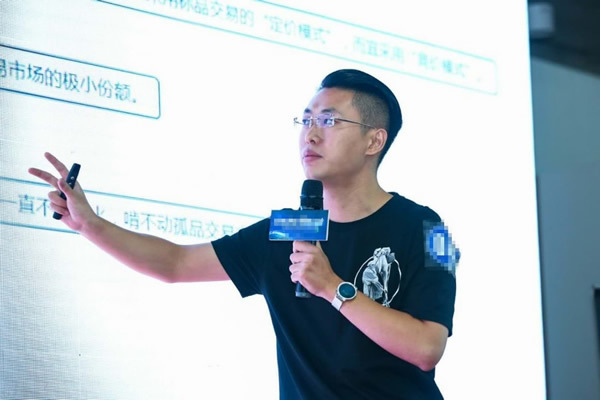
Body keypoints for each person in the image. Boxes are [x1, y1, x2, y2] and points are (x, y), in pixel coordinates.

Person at [29, 69, 457, 399]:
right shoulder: (288, 230)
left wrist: (332, 287)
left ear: (373, 141)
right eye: (306, 120)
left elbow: (426, 348)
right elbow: (175, 263)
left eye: (329, 121)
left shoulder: (431, 229)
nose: (310, 134)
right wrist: (90, 224)